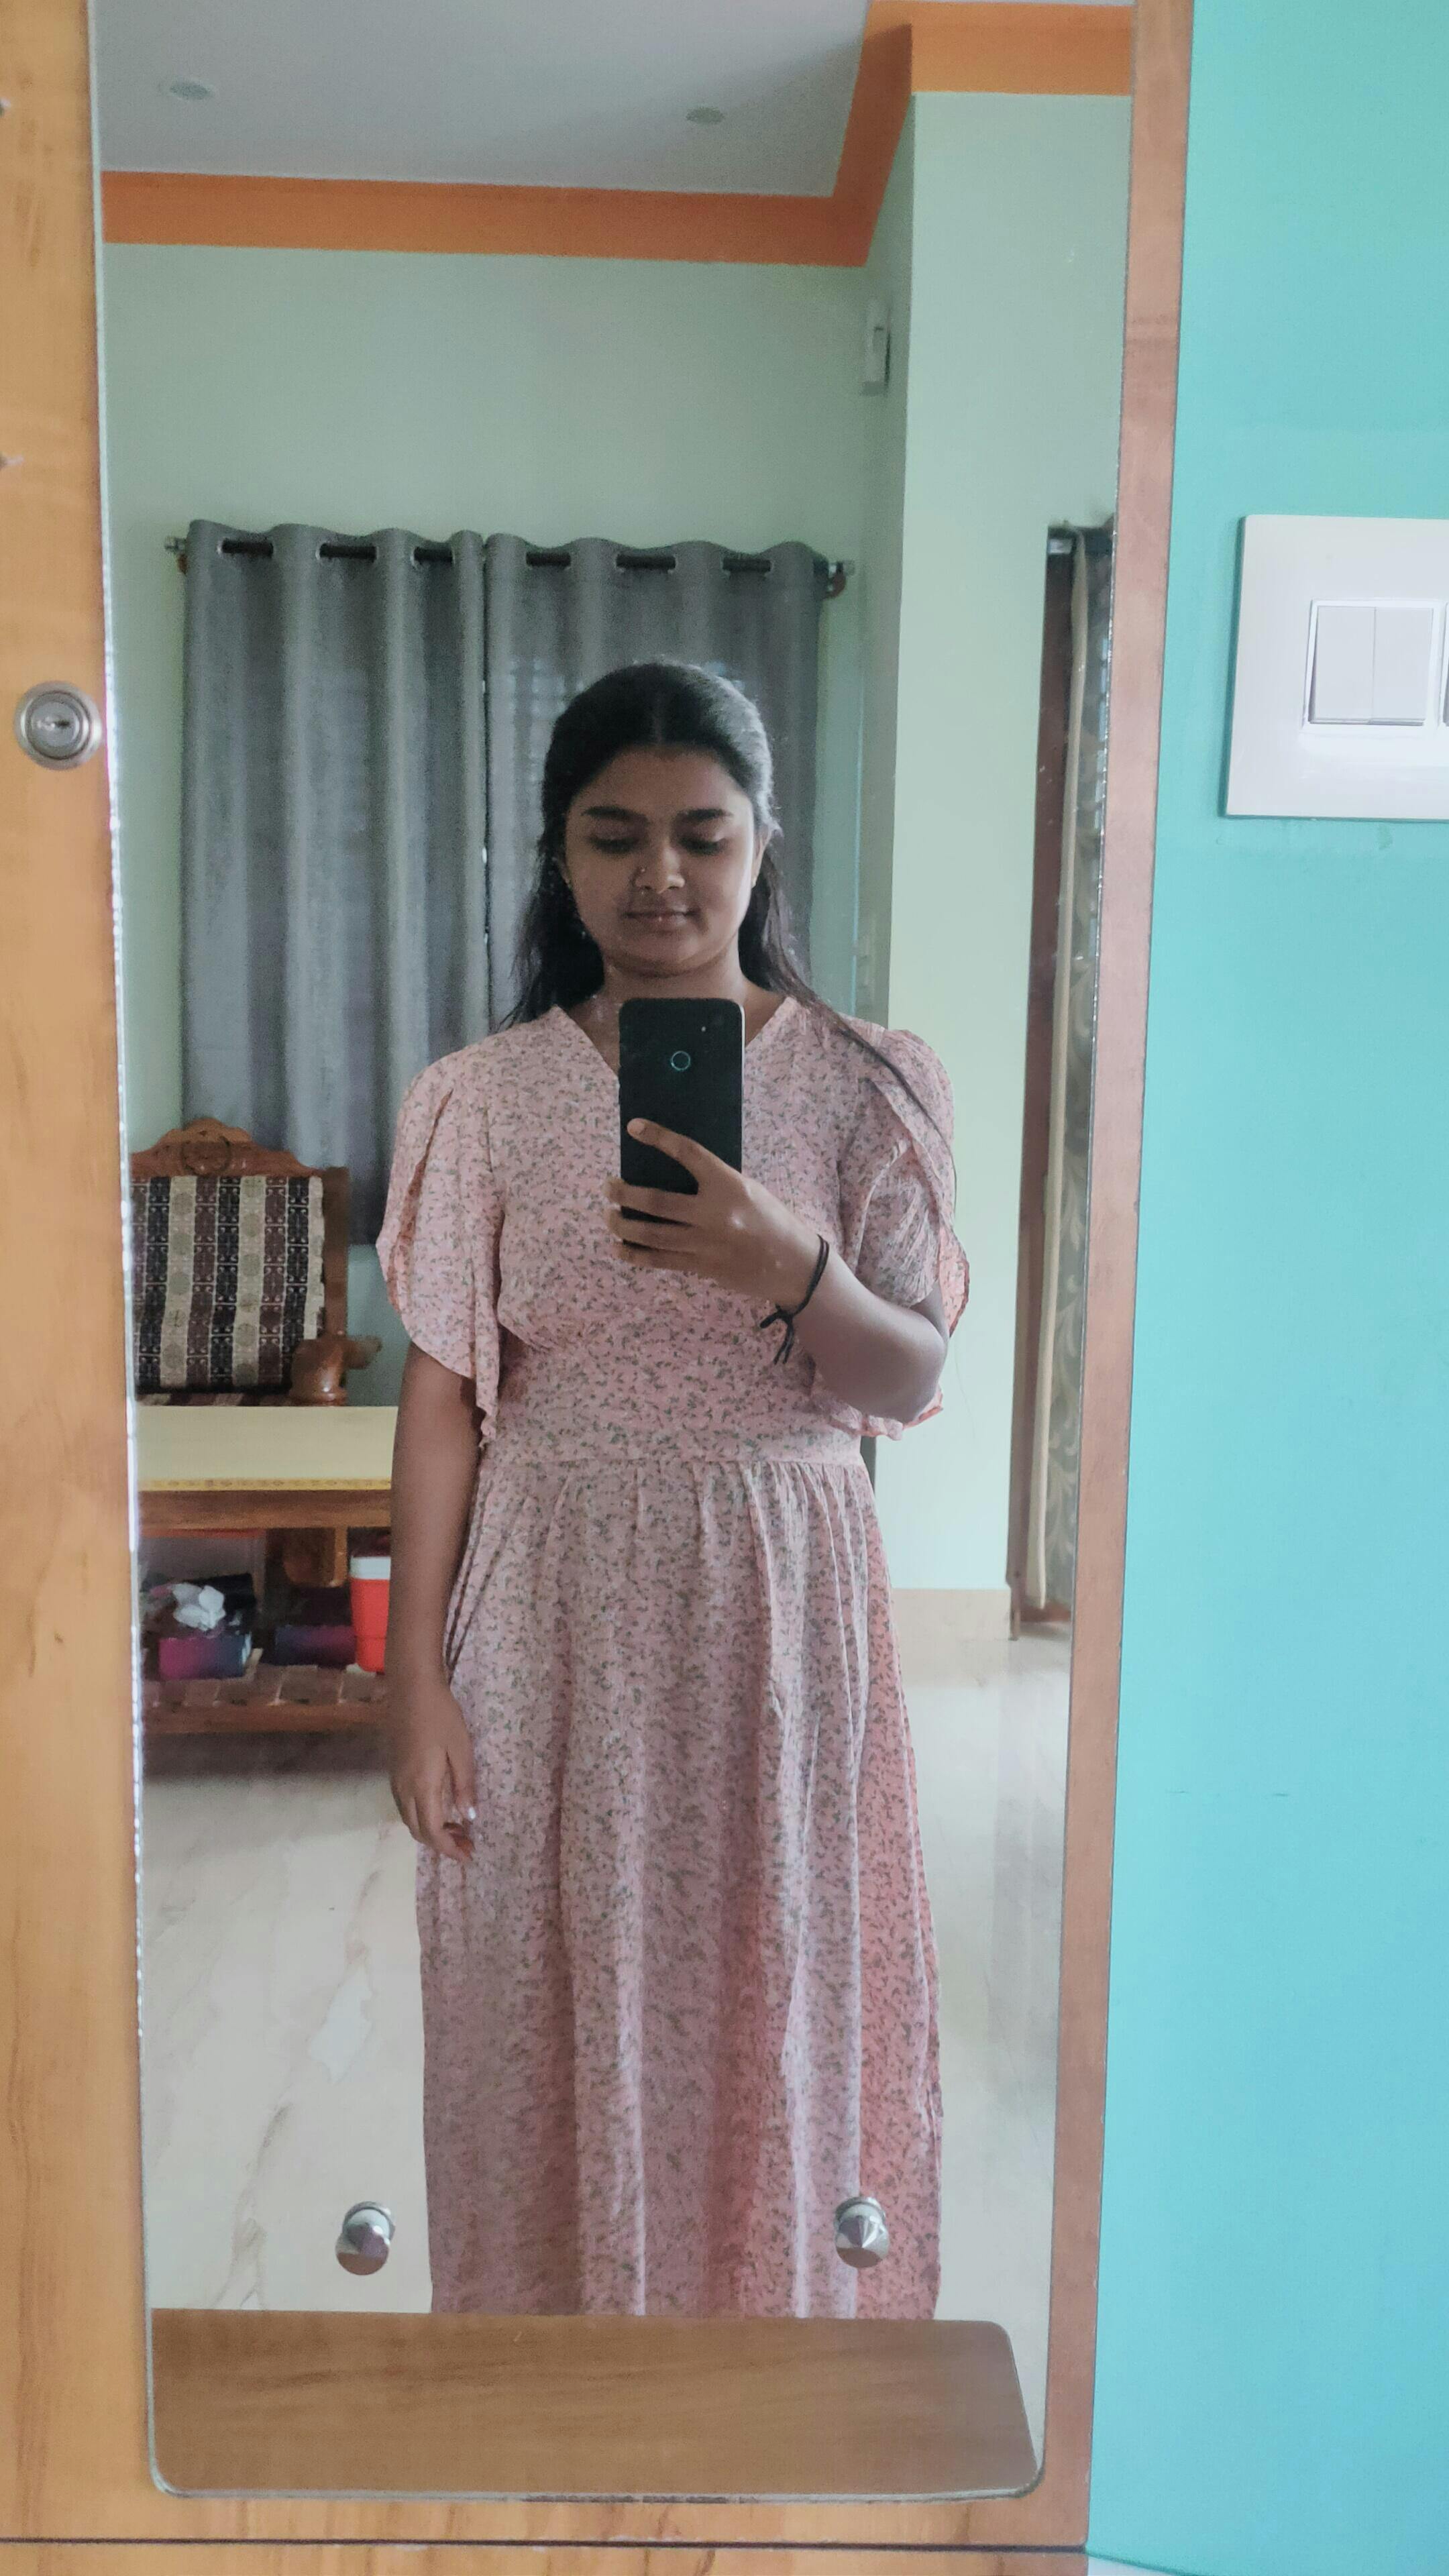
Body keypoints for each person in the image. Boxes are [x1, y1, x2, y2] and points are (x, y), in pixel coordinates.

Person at [378, 660, 968, 2319]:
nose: (660, 875)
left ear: (763, 845)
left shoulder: (870, 1081)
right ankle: (557, 2363)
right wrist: (410, 1679)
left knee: (772, 1965)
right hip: (548, 1590)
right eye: (613, 835)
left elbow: (909, 1379)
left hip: (781, 1592)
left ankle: (764, 2346)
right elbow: (444, 1398)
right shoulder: (481, 1098)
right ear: (558, 856)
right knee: (537, 1973)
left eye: (702, 835)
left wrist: (795, 1269)